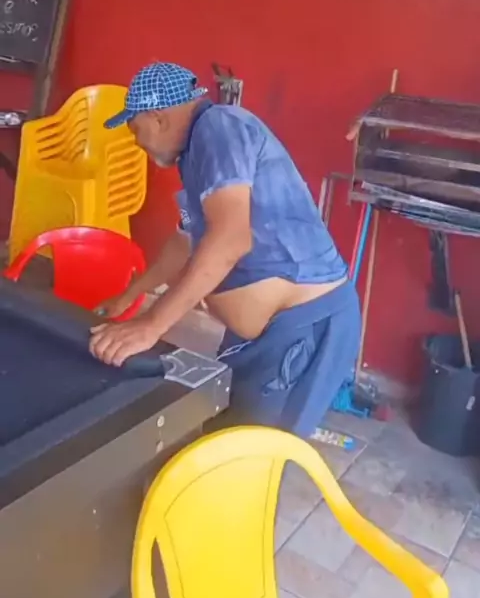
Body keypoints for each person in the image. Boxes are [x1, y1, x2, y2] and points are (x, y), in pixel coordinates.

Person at [90, 62, 361, 439]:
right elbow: (185, 240)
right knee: (222, 443)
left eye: (135, 128)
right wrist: (131, 295)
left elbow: (230, 239)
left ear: (157, 117)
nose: (137, 142)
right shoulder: (195, 158)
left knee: (255, 457)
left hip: (302, 330)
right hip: (261, 337)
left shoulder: (218, 128)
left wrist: (153, 325)